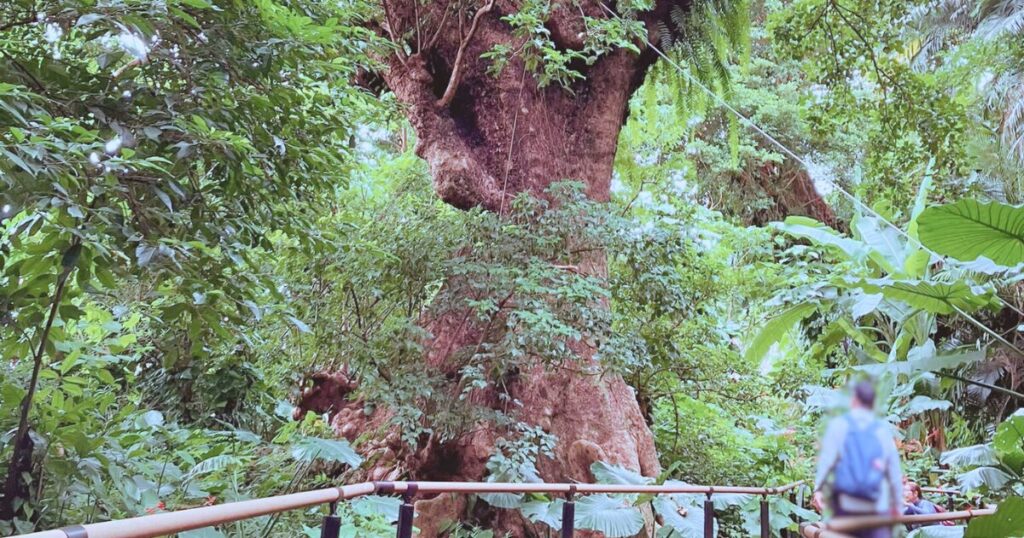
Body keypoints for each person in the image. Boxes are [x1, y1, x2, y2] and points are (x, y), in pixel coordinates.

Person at [812, 380, 903, 538]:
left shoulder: (840, 425)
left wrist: (818, 490)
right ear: (872, 403)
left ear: (854, 400)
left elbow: (827, 462)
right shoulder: (882, 429)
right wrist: (897, 505)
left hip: (847, 507)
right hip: (877, 507)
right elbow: (894, 471)